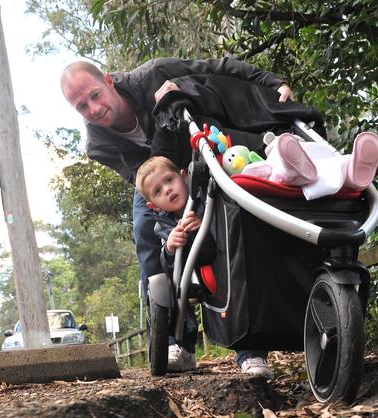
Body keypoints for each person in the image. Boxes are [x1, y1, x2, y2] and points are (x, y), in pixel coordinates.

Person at [60, 57, 307, 377]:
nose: (93, 109)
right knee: (146, 229)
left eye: (95, 95)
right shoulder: (98, 145)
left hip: (198, 150)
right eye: (81, 106)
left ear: (109, 80)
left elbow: (218, 68)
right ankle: (176, 338)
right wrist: (171, 225)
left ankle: (250, 348)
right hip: (154, 177)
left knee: (230, 220)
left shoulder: (154, 76)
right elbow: (144, 179)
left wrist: (270, 82)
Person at [134, 156, 203, 372]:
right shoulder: (162, 225)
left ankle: (250, 355)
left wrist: (202, 223)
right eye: (157, 191)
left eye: (169, 180)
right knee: (167, 289)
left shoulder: (205, 202)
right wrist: (170, 248)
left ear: (184, 176)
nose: (167, 190)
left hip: (219, 271)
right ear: (153, 206)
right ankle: (182, 347)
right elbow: (165, 264)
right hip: (186, 282)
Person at [239, 131, 378, 200]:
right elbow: (252, 173)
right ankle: (353, 177)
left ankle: (353, 173)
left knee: (337, 163)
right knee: (340, 164)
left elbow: (248, 174)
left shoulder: (274, 159)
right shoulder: (273, 159)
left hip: (312, 165)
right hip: (312, 162)